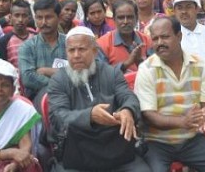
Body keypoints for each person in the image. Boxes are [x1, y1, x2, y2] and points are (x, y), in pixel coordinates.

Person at [134, 17, 205, 171]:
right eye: (155, 39)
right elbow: (148, 115)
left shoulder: (200, 65)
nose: (159, 42)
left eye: (165, 37)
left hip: (191, 139)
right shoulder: (147, 69)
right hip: (157, 142)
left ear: (179, 36)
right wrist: (183, 122)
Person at [47, 26, 151, 172]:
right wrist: (89, 116)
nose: (76, 55)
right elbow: (57, 116)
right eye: (71, 50)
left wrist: (127, 110)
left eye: (82, 49)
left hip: (116, 150)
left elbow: (128, 97)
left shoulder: (111, 73)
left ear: (95, 51)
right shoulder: (59, 80)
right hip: (78, 154)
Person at [18, 0, 66, 108]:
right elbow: (28, 78)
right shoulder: (27, 47)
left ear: (59, 18)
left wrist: (46, 71)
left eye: (48, 17)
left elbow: (80, 72)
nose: (43, 22)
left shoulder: (71, 43)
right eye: (39, 18)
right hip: (38, 102)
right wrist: (63, 82)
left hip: (70, 98)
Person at [97, 0, 151, 73]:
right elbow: (102, 76)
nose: (125, 22)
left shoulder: (147, 41)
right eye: (121, 18)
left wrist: (139, 61)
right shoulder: (102, 44)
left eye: (130, 17)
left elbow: (156, 73)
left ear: (136, 18)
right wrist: (126, 64)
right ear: (114, 19)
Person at [0, 0, 36, 68]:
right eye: (17, 15)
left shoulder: (37, 38)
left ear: (29, 18)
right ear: (11, 17)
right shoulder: (3, 41)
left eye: (24, 16)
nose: (20, 19)